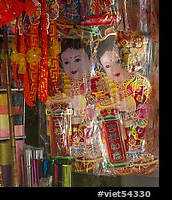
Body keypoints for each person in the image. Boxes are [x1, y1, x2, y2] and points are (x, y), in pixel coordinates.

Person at [95, 33, 158, 174]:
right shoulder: (111, 86)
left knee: (136, 143)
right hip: (119, 129)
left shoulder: (138, 81)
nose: (114, 69)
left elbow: (141, 95)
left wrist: (128, 103)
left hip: (138, 125)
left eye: (117, 62)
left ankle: (138, 157)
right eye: (107, 66)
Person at [46, 37, 102, 172]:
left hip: (90, 138)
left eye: (77, 60)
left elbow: (103, 102)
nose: (72, 67)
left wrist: (87, 103)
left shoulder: (97, 82)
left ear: (91, 60)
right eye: (66, 62)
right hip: (68, 140)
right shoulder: (62, 86)